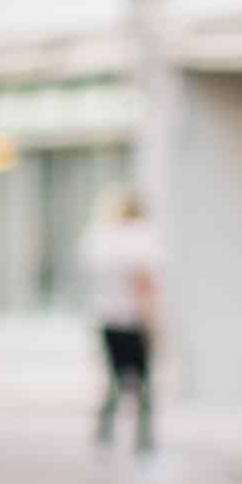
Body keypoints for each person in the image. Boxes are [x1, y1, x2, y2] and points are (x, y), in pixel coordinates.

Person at [82, 187, 161, 455]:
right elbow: (142, 284)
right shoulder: (139, 240)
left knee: (114, 381)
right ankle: (144, 442)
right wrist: (154, 324)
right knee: (143, 384)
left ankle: (104, 437)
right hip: (133, 320)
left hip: (107, 320)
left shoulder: (102, 239)